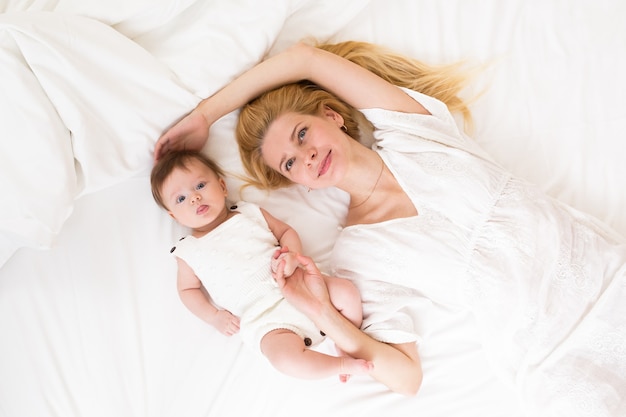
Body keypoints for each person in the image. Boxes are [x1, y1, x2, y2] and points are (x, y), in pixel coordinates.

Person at [154, 40, 626, 414]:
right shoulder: (360, 255)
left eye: (303, 135)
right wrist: (319, 311)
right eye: (290, 162)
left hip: (612, 283)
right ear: (297, 182)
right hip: (552, 363)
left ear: (331, 117)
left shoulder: (416, 134)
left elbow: (305, 58)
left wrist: (205, 116)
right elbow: (405, 378)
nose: (307, 156)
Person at [150, 149, 374, 383]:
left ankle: (345, 342)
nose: (194, 198)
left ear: (223, 186)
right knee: (284, 359)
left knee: (346, 293)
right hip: (266, 320)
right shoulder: (188, 251)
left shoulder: (249, 212)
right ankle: (340, 365)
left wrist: (292, 256)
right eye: (181, 199)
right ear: (173, 216)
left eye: (200, 186)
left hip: (300, 284)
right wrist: (214, 316)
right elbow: (187, 290)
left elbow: (285, 232)